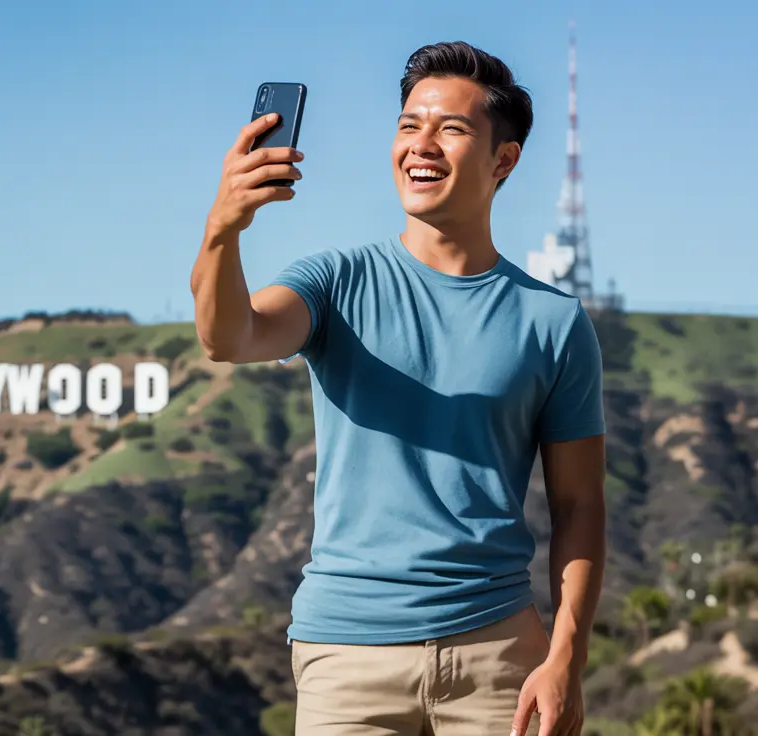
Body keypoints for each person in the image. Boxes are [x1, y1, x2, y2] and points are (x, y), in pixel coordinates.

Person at [189, 41, 607, 736]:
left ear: (503, 160)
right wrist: (221, 231)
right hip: (347, 659)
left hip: (499, 658)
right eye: (410, 125)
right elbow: (228, 338)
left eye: (452, 129)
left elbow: (580, 505)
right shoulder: (334, 282)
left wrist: (566, 657)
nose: (423, 145)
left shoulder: (555, 323)